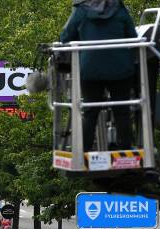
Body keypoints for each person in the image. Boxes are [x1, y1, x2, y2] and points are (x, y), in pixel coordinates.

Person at [60, 0, 138, 152]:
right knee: (122, 110)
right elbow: (132, 35)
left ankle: (83, 149)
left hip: (90, 70)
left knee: (90, 111)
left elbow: (66, 37)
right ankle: (125, 148)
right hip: (120, 69)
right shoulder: (119, 9)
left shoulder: (81, 10)